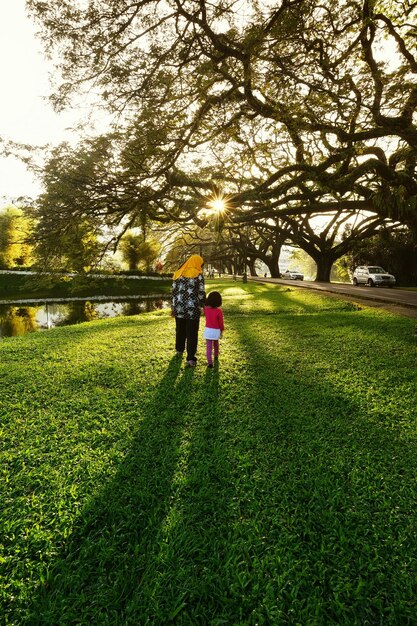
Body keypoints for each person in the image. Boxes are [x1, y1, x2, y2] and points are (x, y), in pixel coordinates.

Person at [171, 254, 206, 367]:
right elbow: (201, 292)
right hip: (192, 308)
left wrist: (173, 307)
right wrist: (202, 305)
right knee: (191, 333)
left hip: (179, 307)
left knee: (180, 329)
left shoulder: (177, 273)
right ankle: (190, 358)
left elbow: (173, 292)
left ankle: (179, 350)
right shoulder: (198, 275)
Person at [203, 291, 224, 368]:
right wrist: (222, 330)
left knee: (209, 347)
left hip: (208, 330)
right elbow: (221, 323)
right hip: (216, 331)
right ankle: (216, 356)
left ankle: (210, 363)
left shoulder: (206, 309)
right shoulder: (219, 311)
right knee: (216, 344)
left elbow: (204, 307)